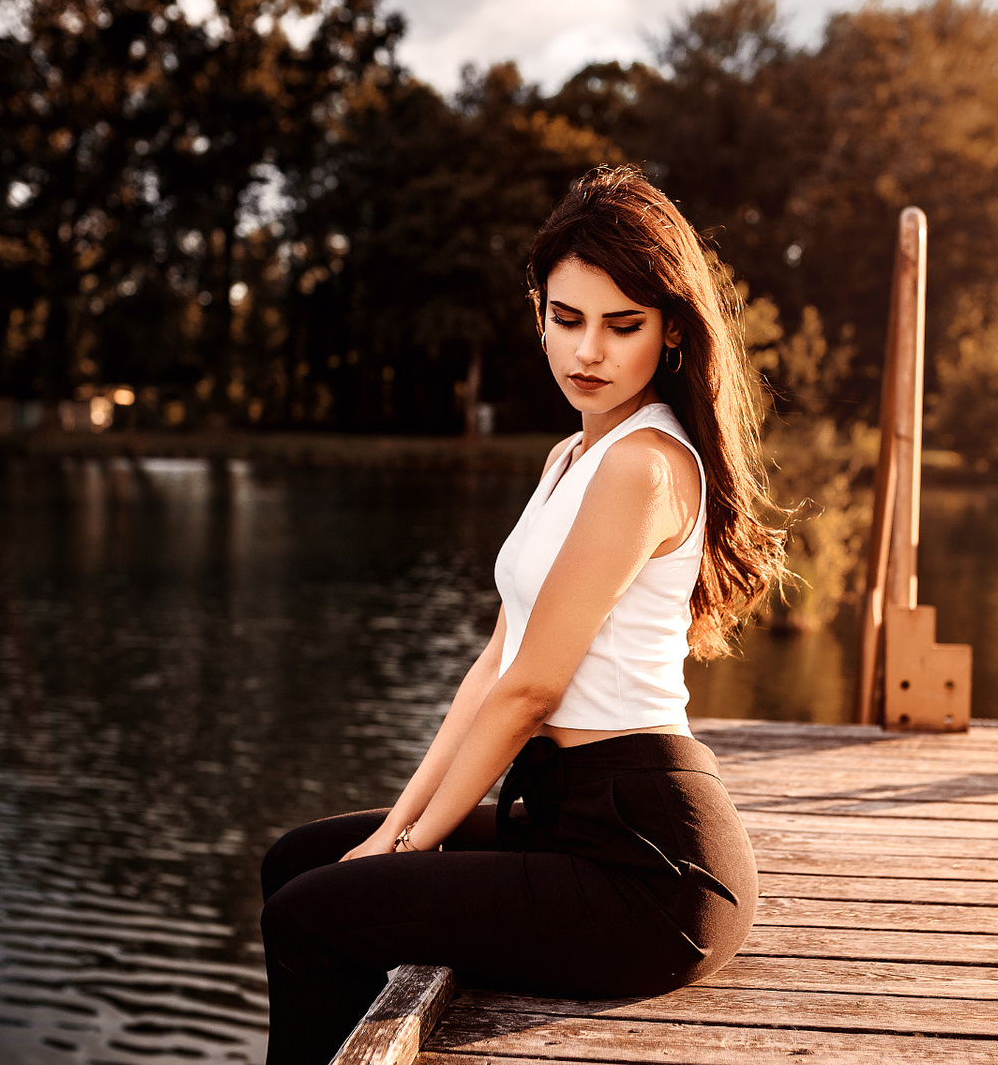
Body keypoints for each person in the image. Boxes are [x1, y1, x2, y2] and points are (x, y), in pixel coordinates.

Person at [257, 164, 792, 1064]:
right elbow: (493, 667)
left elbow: (532, 691)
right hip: (554, 819)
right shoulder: (568, 460)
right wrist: (399, 822)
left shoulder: (644, 464)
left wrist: (410, 847)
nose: (588, 352)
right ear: (538, 313)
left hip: (648, 864)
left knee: (310, 916)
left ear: (669, 335)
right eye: (566, 318)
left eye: (622, 326)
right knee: (298, 864)